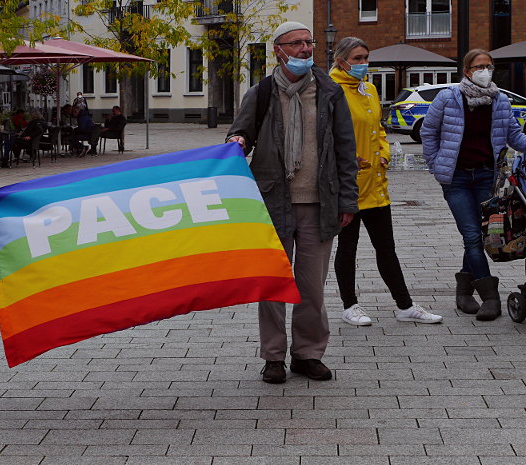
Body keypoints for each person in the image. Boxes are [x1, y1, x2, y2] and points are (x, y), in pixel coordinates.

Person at [225, 21, 358, 384]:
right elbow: (240, 134)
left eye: (308, 42)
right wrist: (237, 140)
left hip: (320, 202)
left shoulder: (330, 92)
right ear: (278, 50)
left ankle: (307, 353)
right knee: (272, 284)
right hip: (271, 203)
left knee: (311, 286)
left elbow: (346, 150)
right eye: (296, 43)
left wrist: (348, 200)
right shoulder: (262, 93)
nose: (304, 49)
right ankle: (273, 357)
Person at [329, 37, 443, 326]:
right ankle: (349, 305)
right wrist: (350, 159)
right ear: (340, 60)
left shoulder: (368, 89)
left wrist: (384, 152)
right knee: (348, 246)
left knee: (386, 247)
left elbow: (378, 128)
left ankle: (405, 306)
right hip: (348, 184)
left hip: (376, 184)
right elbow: (325, 135)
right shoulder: (330, 91)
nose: (362, 63)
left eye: (365, 57)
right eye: (356, 58)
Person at [421, 49, 526, 321]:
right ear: (467, 70)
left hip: (485, 176)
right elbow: (428, 131)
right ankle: (491, 297)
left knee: (480, 235)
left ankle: (464, 291)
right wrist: (435, 164)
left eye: (489, 66)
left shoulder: (499, 100)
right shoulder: (448, 98)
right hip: (455, 178)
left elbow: (514, 135)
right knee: (471, 235)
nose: (485, 71)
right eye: (480, 66)